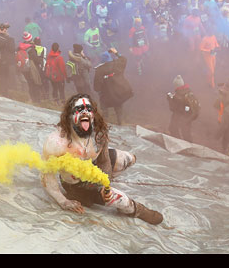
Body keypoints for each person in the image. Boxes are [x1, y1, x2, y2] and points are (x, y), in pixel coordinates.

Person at [41, 93, 163, 225]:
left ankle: (103, 189)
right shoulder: (57, 142)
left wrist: (106, 184)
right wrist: (62, 201)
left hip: (94, 167)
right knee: (121, 199)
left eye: (88, 109)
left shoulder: (98, 133)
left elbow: (104, 160)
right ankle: (138, 210)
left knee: (129, 159)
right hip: (76, 183)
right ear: (69, 116)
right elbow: (46, 174)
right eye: (79, 109)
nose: (85, 113)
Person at [93, 48, 133, 125]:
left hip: (106, 93)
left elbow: (96, 86)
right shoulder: (117, 64)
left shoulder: (99, 69)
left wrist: (99, 89)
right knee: (118, 105)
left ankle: (105, 121)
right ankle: (120, 121)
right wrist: (116, 53)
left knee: (104, 106)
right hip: (117, 91)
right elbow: (124, 59)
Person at [166, 75, 200, 142]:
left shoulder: (180, 94)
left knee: (176, 129)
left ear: (176, 85)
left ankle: (180, 144)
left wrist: (170, 99)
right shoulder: (187, 92)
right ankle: (186, 146)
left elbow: (174, 108)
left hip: (183, 116)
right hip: (186, 116)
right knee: (184, 132)